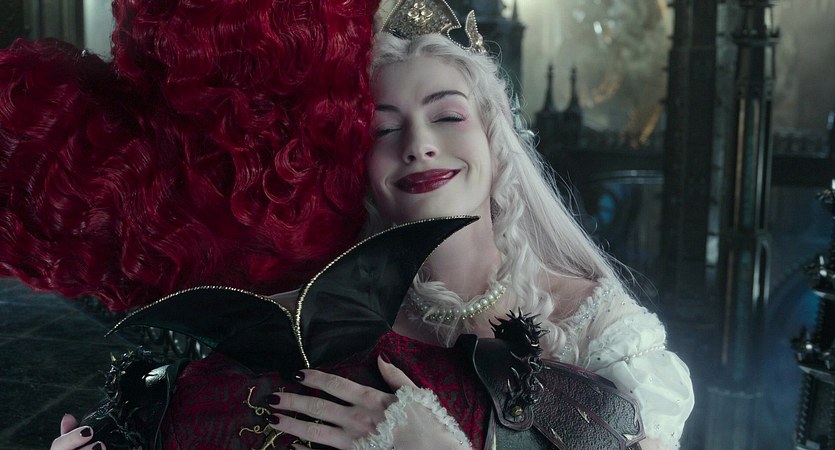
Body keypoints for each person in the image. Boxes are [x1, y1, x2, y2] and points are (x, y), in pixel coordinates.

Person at [46, 2, 693, 450]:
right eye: (383, 129)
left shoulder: (602, 331)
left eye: (447, 116)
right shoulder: (317, 313)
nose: (419, 144)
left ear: (495, 142)